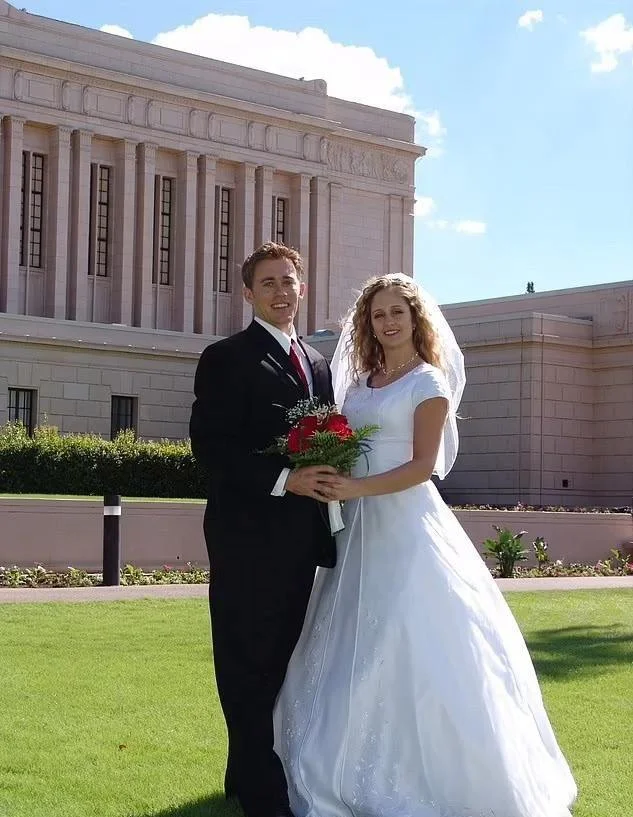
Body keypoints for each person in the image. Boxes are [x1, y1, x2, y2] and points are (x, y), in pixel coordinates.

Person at [274, 273, 577, 817]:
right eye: (378, 315)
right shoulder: (360, 383)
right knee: (346, 637)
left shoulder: (428, 383)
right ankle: (333, 761)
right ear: (368, 324)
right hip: (355, 526)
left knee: (406, 632)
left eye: (398, 312)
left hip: (406, 523)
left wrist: (358, 488)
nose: (388, 322)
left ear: (416, 319)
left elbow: (421, 467)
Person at [189, 242, 337, 817]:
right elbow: (211, 447)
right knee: (245, 662)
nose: (281, 291)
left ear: (303, 288)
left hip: (302, 539)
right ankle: (262, 797)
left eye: (288, 281)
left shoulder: (317, 363)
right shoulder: (225, 357)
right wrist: (285, 479)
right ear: (248, 293)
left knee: (280, 663)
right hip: (246, 539)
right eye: (268, 283)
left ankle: (244, 771)